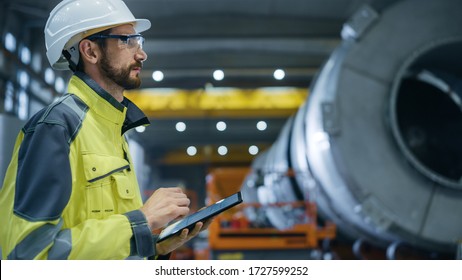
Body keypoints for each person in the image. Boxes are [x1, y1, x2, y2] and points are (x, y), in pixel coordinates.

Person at [0, 0, 208, 260]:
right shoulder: (56, 127)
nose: (141, 54)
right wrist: (141, 221)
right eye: (126, 41)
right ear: (90, 51)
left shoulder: (112, 130)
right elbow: (29, 254)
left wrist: (152, 245)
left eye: (139, 42)